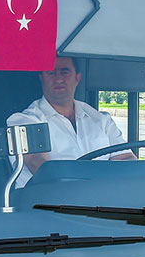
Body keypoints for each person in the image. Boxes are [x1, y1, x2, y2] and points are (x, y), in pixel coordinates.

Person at [7, 55, 134, 187]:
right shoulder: (24, 121)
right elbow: (41, 168)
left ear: (77, 78)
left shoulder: (101, 120)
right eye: (51, 72)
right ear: (41, 78)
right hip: (45, 202)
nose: (59, 78)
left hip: (101, 199)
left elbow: (125, 159)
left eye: (65, 71)